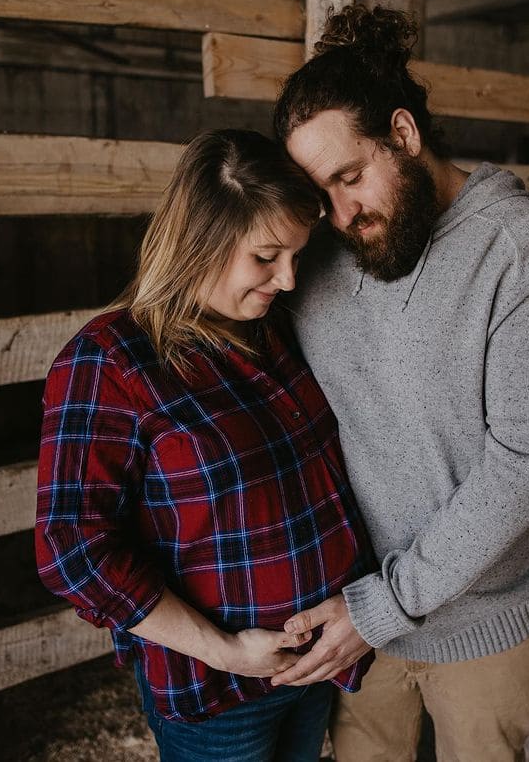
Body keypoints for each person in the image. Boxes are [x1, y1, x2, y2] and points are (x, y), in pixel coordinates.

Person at [270, 5, 529, 762]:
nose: (342, 213)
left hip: (483, 623)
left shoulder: (527, 253)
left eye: (351, 178)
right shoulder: (318, 259)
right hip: (355, 616)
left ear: (405, 134)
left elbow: (526, 466)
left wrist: (383, 606)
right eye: (322, 195)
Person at [35, 129, 375, 762]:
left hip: (319, 665)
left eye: (297, 255)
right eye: (267, 255)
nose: (289, 279)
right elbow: (71, 549)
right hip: (219, 688)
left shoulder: (270, 331)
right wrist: (222, 649)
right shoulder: (109, 361)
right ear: (202, 241)